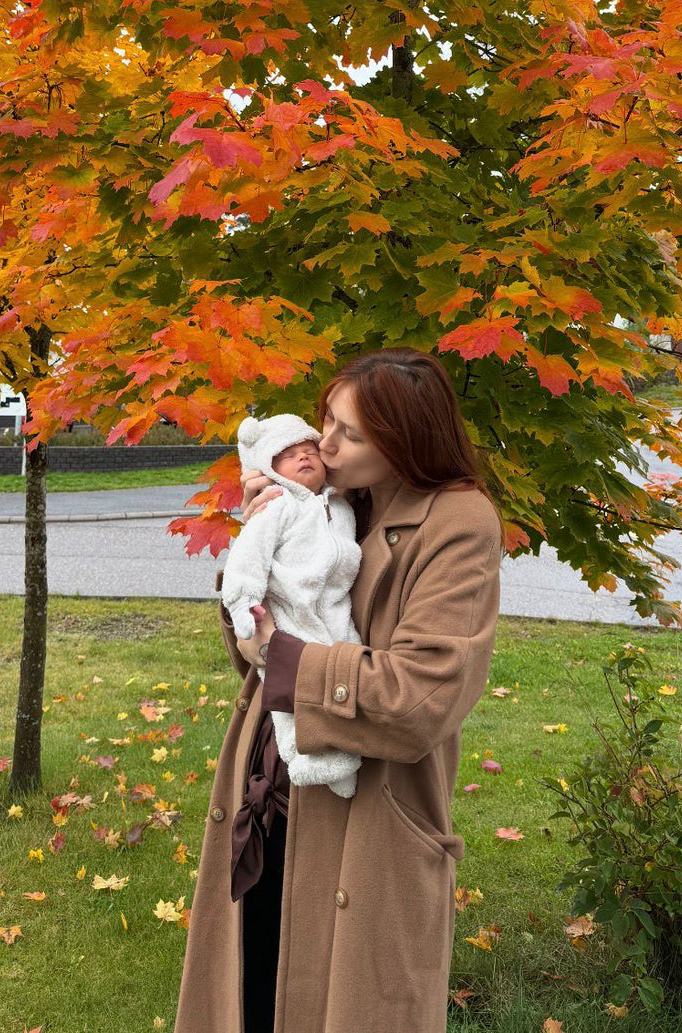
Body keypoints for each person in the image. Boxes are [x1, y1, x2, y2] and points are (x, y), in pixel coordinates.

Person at [173, 347, 503, 1033]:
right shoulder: (325, 503)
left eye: (347, 432)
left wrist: (281, 654)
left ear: (403, 438)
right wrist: (256, 567)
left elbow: (421, 697)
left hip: (373, 817)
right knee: (253, 987)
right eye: (326, 420)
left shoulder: (458, 523)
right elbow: (263, 643)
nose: (322, 442)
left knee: (345, 1003)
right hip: (270, 788)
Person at [219, 413, 363, 803]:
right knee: (287, 693)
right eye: (288, 454)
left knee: (345, 670)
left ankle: (343, 755)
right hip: (289, 609)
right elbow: (247, 558)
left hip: (334, 609)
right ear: (268, 468)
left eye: (309, 450)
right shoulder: (277, 506)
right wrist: (243, 601)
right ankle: (303, 758)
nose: (303, 457)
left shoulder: (343, 507)